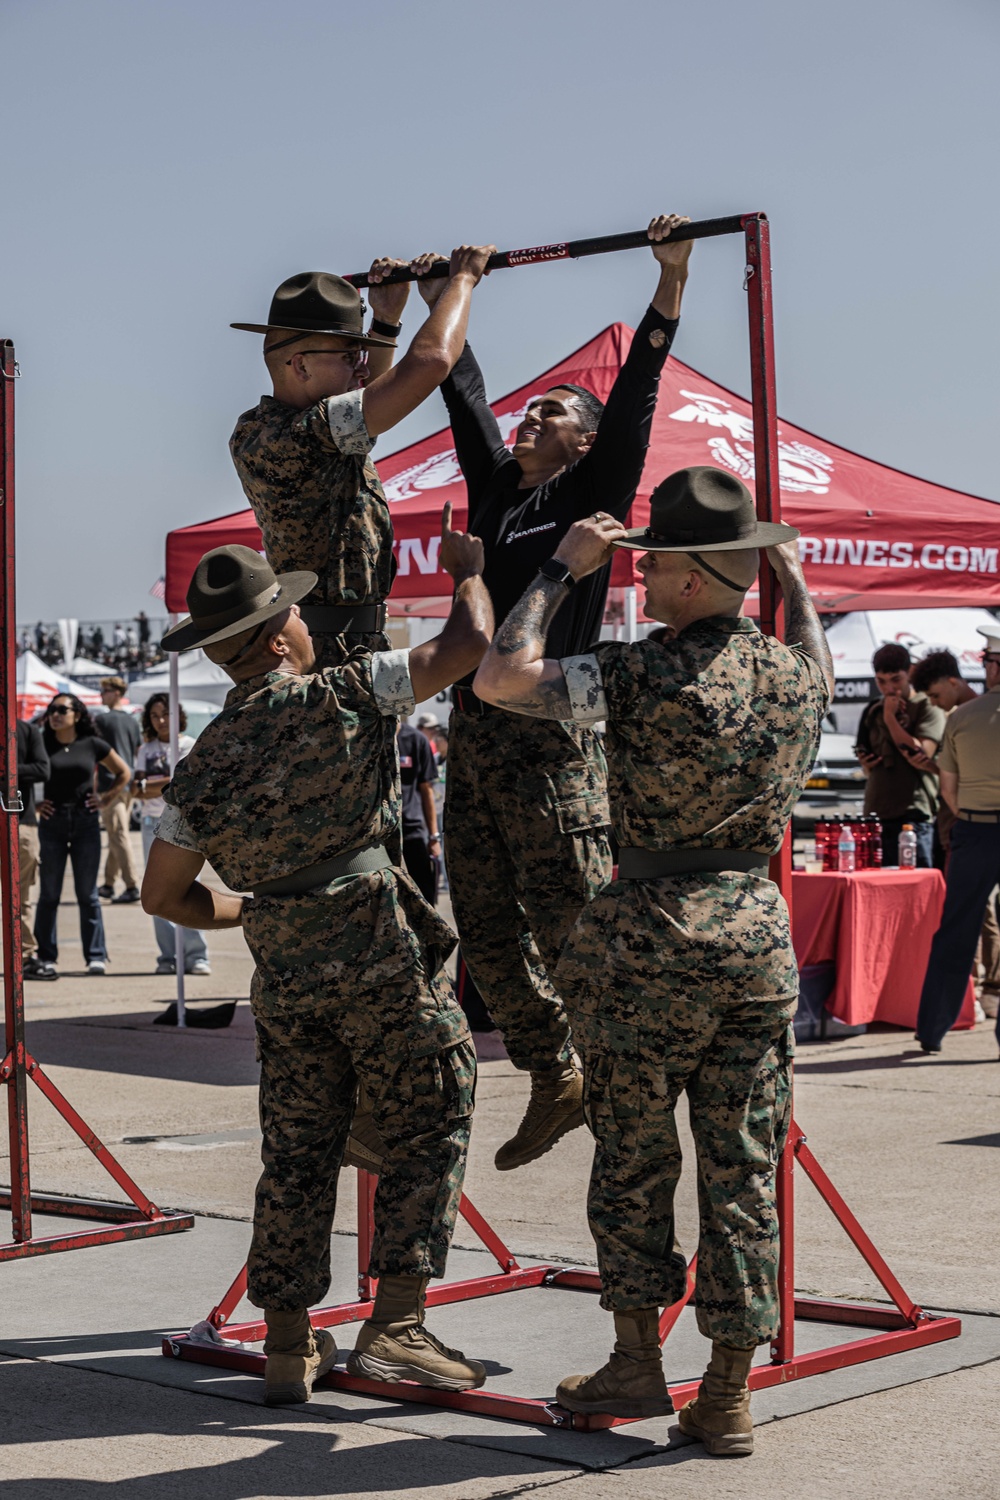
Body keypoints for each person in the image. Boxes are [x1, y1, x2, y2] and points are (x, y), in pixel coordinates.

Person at [474, 468, 833, 1452]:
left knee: (635, 1156)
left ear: (686, 581)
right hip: (753, 937)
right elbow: (814, 652)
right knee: (743, 1162)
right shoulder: (794, 676)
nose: (640, 576)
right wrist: (791, 577)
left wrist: (555, 569)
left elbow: (500, 678)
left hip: (648, 935)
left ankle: (637, 1359)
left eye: (652, 561)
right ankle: (726, 1391)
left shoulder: (639, 674)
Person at [142, 511, 493, 1406]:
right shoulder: (340, 691)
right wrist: (464, 573)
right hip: (377, 951)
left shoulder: (204, 761)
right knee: (436, 1108)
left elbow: (163, 896)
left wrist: (252, 905)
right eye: (293, 613)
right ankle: (398, 1326)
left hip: (286, 970)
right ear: (274, 635)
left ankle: (291, 1343)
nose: (306, 621)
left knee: (295, 1149)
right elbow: (465, 649)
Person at [414, 214, 694, 1172]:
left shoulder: (591, 490)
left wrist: (668, 286)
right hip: (476, 735)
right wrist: (444, 294)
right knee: (483, 936)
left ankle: (625, 1096)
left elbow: (637, 399)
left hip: (550, 734)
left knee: (571, 928)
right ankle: (552, 1072)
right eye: (532, 414)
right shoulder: (497, 492)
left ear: (581, 443)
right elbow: (465, 394)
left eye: (554, 416)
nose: (533, 421)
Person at [229, 244, 494, 672]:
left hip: (348, 642)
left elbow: (370, 394)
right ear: (300, 365)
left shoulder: (297, 427)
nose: (361, 368)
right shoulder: (292, 434)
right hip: (325, 651)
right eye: (350, 357)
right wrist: (460, 284)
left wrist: (386, 321)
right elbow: (430, 363)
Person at [915, 629, 1000, 1056]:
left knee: (956, 931)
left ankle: (932, 1029)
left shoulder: (962, 718)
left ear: (993, 667)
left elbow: (949, 790)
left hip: (975, 828)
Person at [34, 694, 131, 977]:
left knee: (87, 894)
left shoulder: (92, 744)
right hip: (52, 824)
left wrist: (105, 798)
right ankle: (46, 956)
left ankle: (96, 956)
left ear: (77, 715)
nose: (55, 714)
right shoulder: (41, 742)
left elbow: (123, 772)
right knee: (49, 894)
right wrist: (35, 804)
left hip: (86, 823)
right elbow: (21, 775)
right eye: (52, 709)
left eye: (62, 710)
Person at [133, 694, 210, 976]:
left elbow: (186, 785)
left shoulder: (190, 745)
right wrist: (169, 782)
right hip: (151, 821)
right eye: (154, 716)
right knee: (156, 888)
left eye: (166, 713)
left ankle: (196, 955)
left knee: (190, 887)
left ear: (178, 714)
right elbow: (136, 789)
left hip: (183, 822)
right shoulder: (145, 749)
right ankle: (167, 955)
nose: (161, 720)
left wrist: (151, 783)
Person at [855, 643, 946, 866]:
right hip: (877, 812)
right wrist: (866, 762)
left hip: (913, 815)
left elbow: (923, 751)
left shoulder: (927, 705)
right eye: (881, 681)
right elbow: (865, 760)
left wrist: (890, 720)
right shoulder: (872, 710)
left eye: (896, 679)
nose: (889, 688)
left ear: (910, 673)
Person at [95, 675, 142, 902]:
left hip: (109, 784)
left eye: (104, 691)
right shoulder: (133, 721)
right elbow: (137, 753)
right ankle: (107, 884)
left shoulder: (102, 721)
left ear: (115, 692)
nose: (101, 695)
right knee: (116, 834)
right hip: (128, 784)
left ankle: (132, 885)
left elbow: (95, 755)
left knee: (119, 835)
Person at [16, 717, 52, 981]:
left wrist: (8, 769)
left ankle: (27, 956)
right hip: (22, 824)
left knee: (21, 897)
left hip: (20, 823)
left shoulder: (25, 730)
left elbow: (42, 769)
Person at [396, 719, 440, 905]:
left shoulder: (416, 739)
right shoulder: (371, 735)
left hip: (412, 830)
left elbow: (426, 790)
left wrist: (433, 836)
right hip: (380, 834)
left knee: (424, 893)